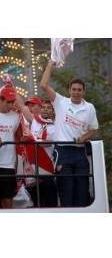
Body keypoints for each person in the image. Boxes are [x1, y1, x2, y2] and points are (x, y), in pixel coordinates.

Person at [40, 61, 99, 207]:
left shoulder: (89, 108)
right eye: (74, 89)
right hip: (62, 151)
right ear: (69, 90)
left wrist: (84, 138)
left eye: (79, 90)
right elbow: (43, 85)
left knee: (83, 192)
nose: (76, 92)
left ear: (84, 91)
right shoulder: (61, 101)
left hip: (80, 152)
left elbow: (94, 129)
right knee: (66, 191)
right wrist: (50, 64)